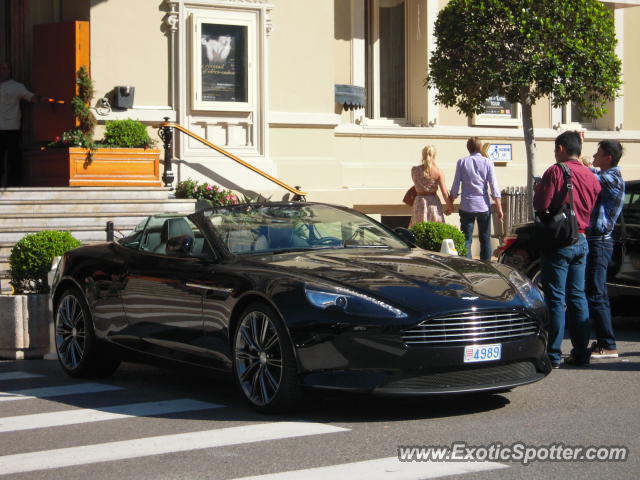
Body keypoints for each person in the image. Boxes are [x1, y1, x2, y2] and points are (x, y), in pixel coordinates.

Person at [533, 131, 601, 368]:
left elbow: (541, 204)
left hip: (560, 241)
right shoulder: (590, 175)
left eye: (555, 149)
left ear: (561, 148)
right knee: (577, 296)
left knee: (556, 298)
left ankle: (553, 354)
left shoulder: (556, 171)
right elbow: (594, 201)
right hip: (582, 239)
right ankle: (581, 352)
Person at [586, 140, 624, 359]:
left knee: (598, 292)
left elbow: (593, 178)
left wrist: (578, 164)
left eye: (598, 154)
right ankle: (603, 341)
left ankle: (608, 344)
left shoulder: (613, 179)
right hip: (595, 240)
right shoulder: (608, 176)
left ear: (608, 157)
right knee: (594, 290)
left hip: (601, 241)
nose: (594, 157)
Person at [450, 137, 503, 260]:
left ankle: (468, 266)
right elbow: (494, 186)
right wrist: (499, 208)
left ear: (468, 148)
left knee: (466, 240)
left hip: (467, 205)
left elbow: (455, 186)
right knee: (485, 239)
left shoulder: (462, 162)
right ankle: (486, 266)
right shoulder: (488, 162)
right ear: (480, 147)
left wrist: (450, 203)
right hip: (483, 205)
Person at [0, 61, 42, 186]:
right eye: (1, 68)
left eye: (5, 68)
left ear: (9, 71)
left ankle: (13, 185)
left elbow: (30, 97)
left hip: (12, 128)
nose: (3, 70)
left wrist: (44, 98)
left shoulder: (16, 86)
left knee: (13, 159)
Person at [409, 145, 452, 227]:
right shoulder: (439, 172)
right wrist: (450, 207)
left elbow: (417, 184)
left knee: (418, 229)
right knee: (435, 228)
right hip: (433, 202)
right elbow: (444, 192)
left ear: (423, 155)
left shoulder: (414, 170)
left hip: (419, 202)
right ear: (434, 156)